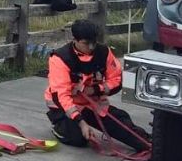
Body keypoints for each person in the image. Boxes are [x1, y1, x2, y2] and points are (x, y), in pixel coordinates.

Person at [45, 19, 150, 151]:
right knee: (78, 138)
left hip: (92, 103)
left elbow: (117, 79)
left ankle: (149, 143)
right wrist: (81, 122)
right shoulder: (60, 58)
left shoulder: (104, 53)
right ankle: (58, 126)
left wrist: (95, 89)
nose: (91, 47)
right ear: (75, 40)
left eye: (93, 42)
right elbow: (61, 96)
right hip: (64, 106)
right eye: (86, 43)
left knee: (124, 127)